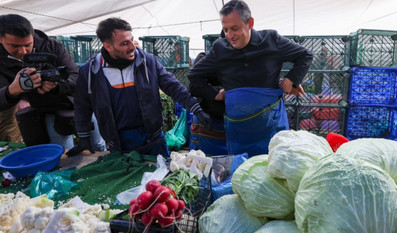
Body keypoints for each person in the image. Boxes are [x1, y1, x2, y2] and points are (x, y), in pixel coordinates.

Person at [67, 17, 212, 157]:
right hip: (119, 144)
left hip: (154, 140)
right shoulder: (91, 72)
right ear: (107, 46)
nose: (132, 47)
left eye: (131, 40)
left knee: (162, 179)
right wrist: (84, 136)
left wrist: (196, 108)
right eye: (124, 43)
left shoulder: (147, 62)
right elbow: (82, 106)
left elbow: (173, 86)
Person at [188, 0, 313, 157]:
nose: (230, 36)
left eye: (235, 28)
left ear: (250, 23)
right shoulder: (220, 48)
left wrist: (291, 79)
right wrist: (214, 94)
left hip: (270, 125)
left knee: (274, 164)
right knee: (241, 170)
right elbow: (194, 76)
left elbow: (305, 55)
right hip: (238, 130)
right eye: (225, 30)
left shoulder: (271, 40)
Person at [0, 14, 105, 150]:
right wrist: (13, 90)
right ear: (1, 39)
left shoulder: (51, 46)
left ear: (32, 35)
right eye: (15, 46)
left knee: (98, 145)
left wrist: (56, 85)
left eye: (28, 45)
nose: (23, 51)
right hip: (45, 114)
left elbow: (76, 76)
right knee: (63, 153)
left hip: (78, 105)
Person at [189, 52, 227, 155]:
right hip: (208, 124)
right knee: (201, 163)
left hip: (233, 126)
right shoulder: (204, 58)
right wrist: (216, 94)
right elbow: (193, 87)